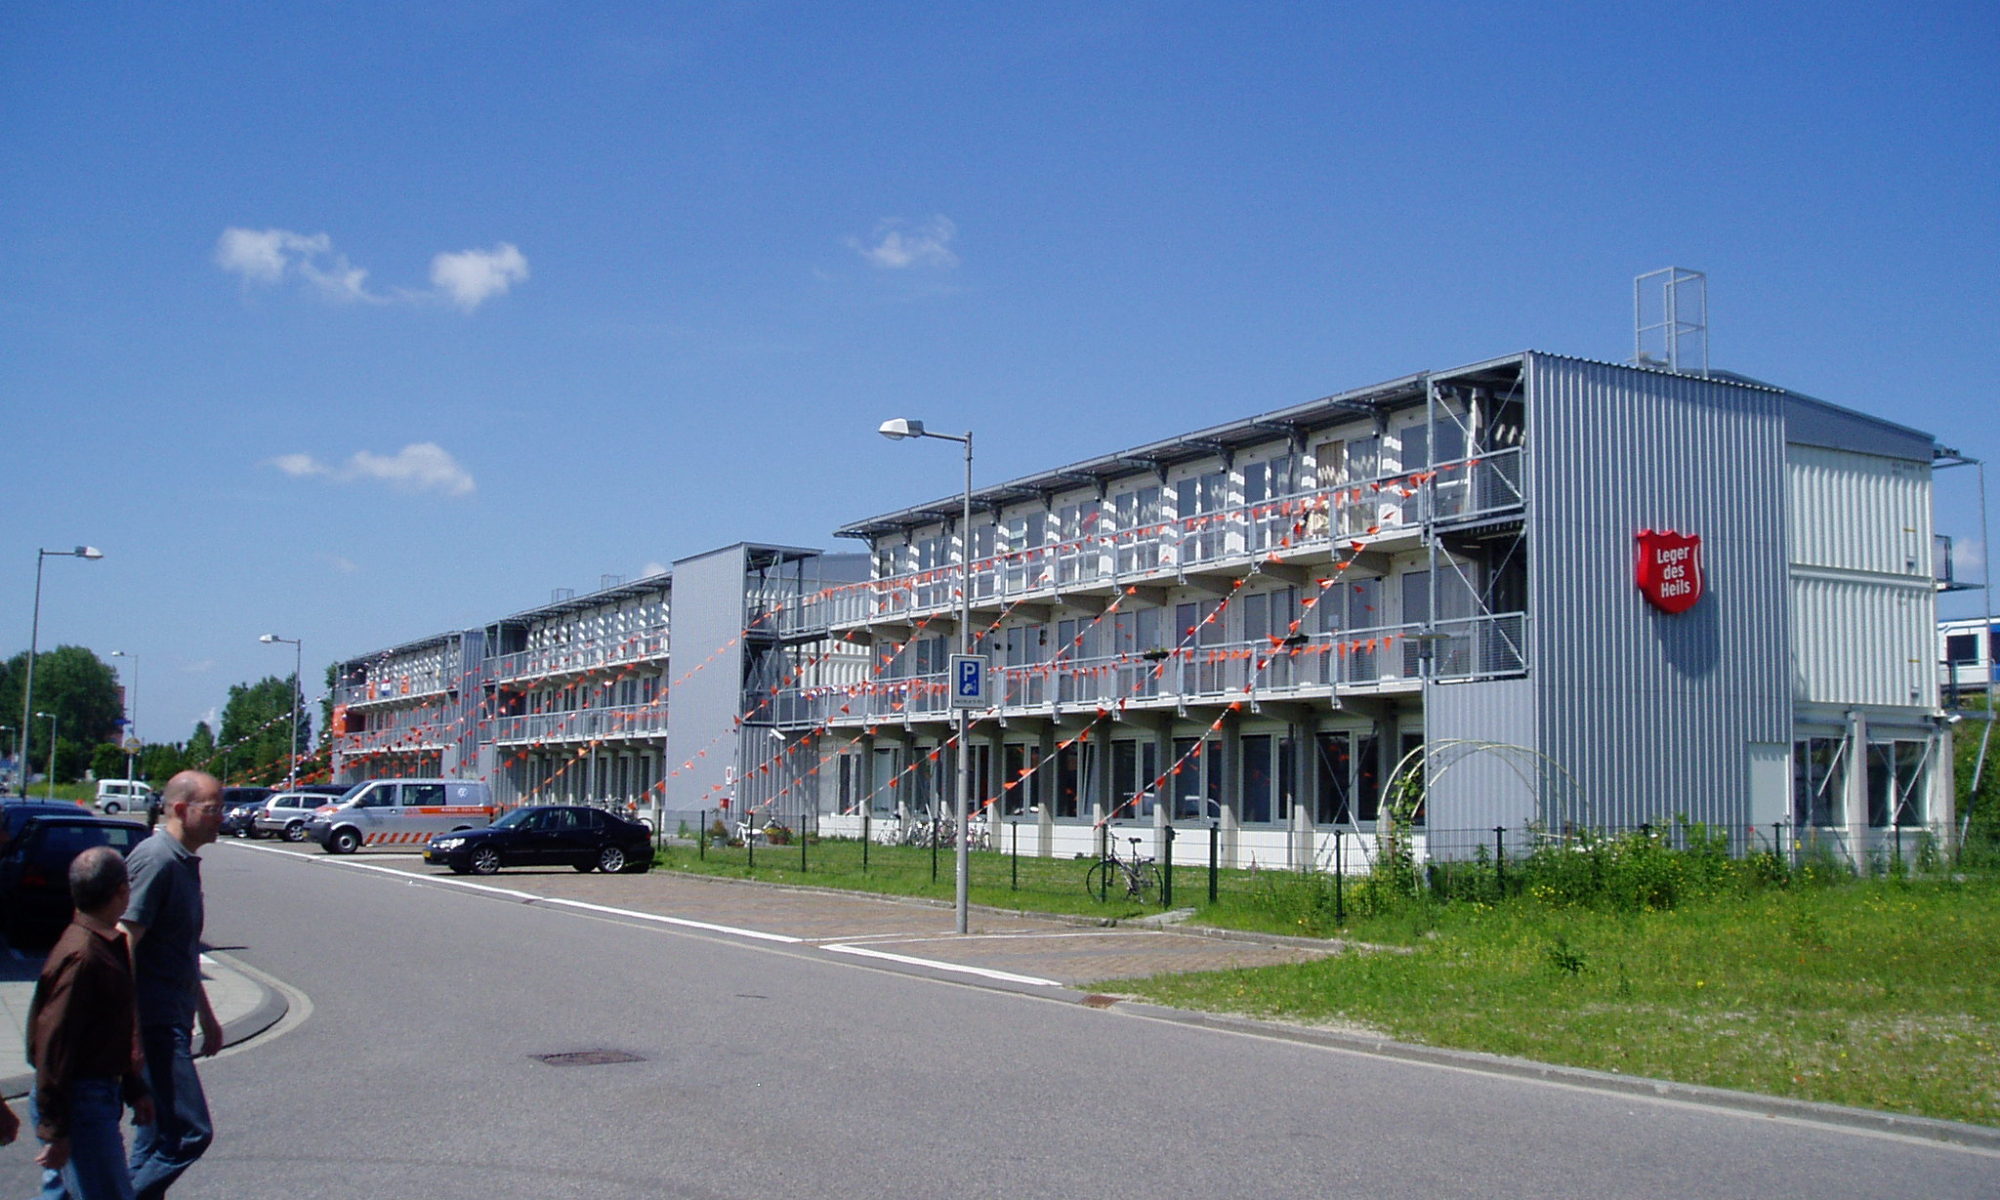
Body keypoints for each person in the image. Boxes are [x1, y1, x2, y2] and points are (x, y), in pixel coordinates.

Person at [26, 846, 155, 1200]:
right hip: (79, 1100)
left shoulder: (102, 944)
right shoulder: (84, 957)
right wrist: (56, 1129)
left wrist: (133, 1088)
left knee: (61, 1194)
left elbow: (106, 1032)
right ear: (120, 891)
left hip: (91, 1093)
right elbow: (53, 1043)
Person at [121, 771, 224, 1200]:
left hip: (173, 1018)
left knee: (156, 1137)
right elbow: (123, 942)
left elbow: (181, 949)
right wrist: (131, 1033)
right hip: (154, 1024)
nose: (223, 817)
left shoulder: (181, 861)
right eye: (213, 808)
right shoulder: (157, 860)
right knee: (188, 1132)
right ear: (182, 810)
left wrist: (206, 1014)